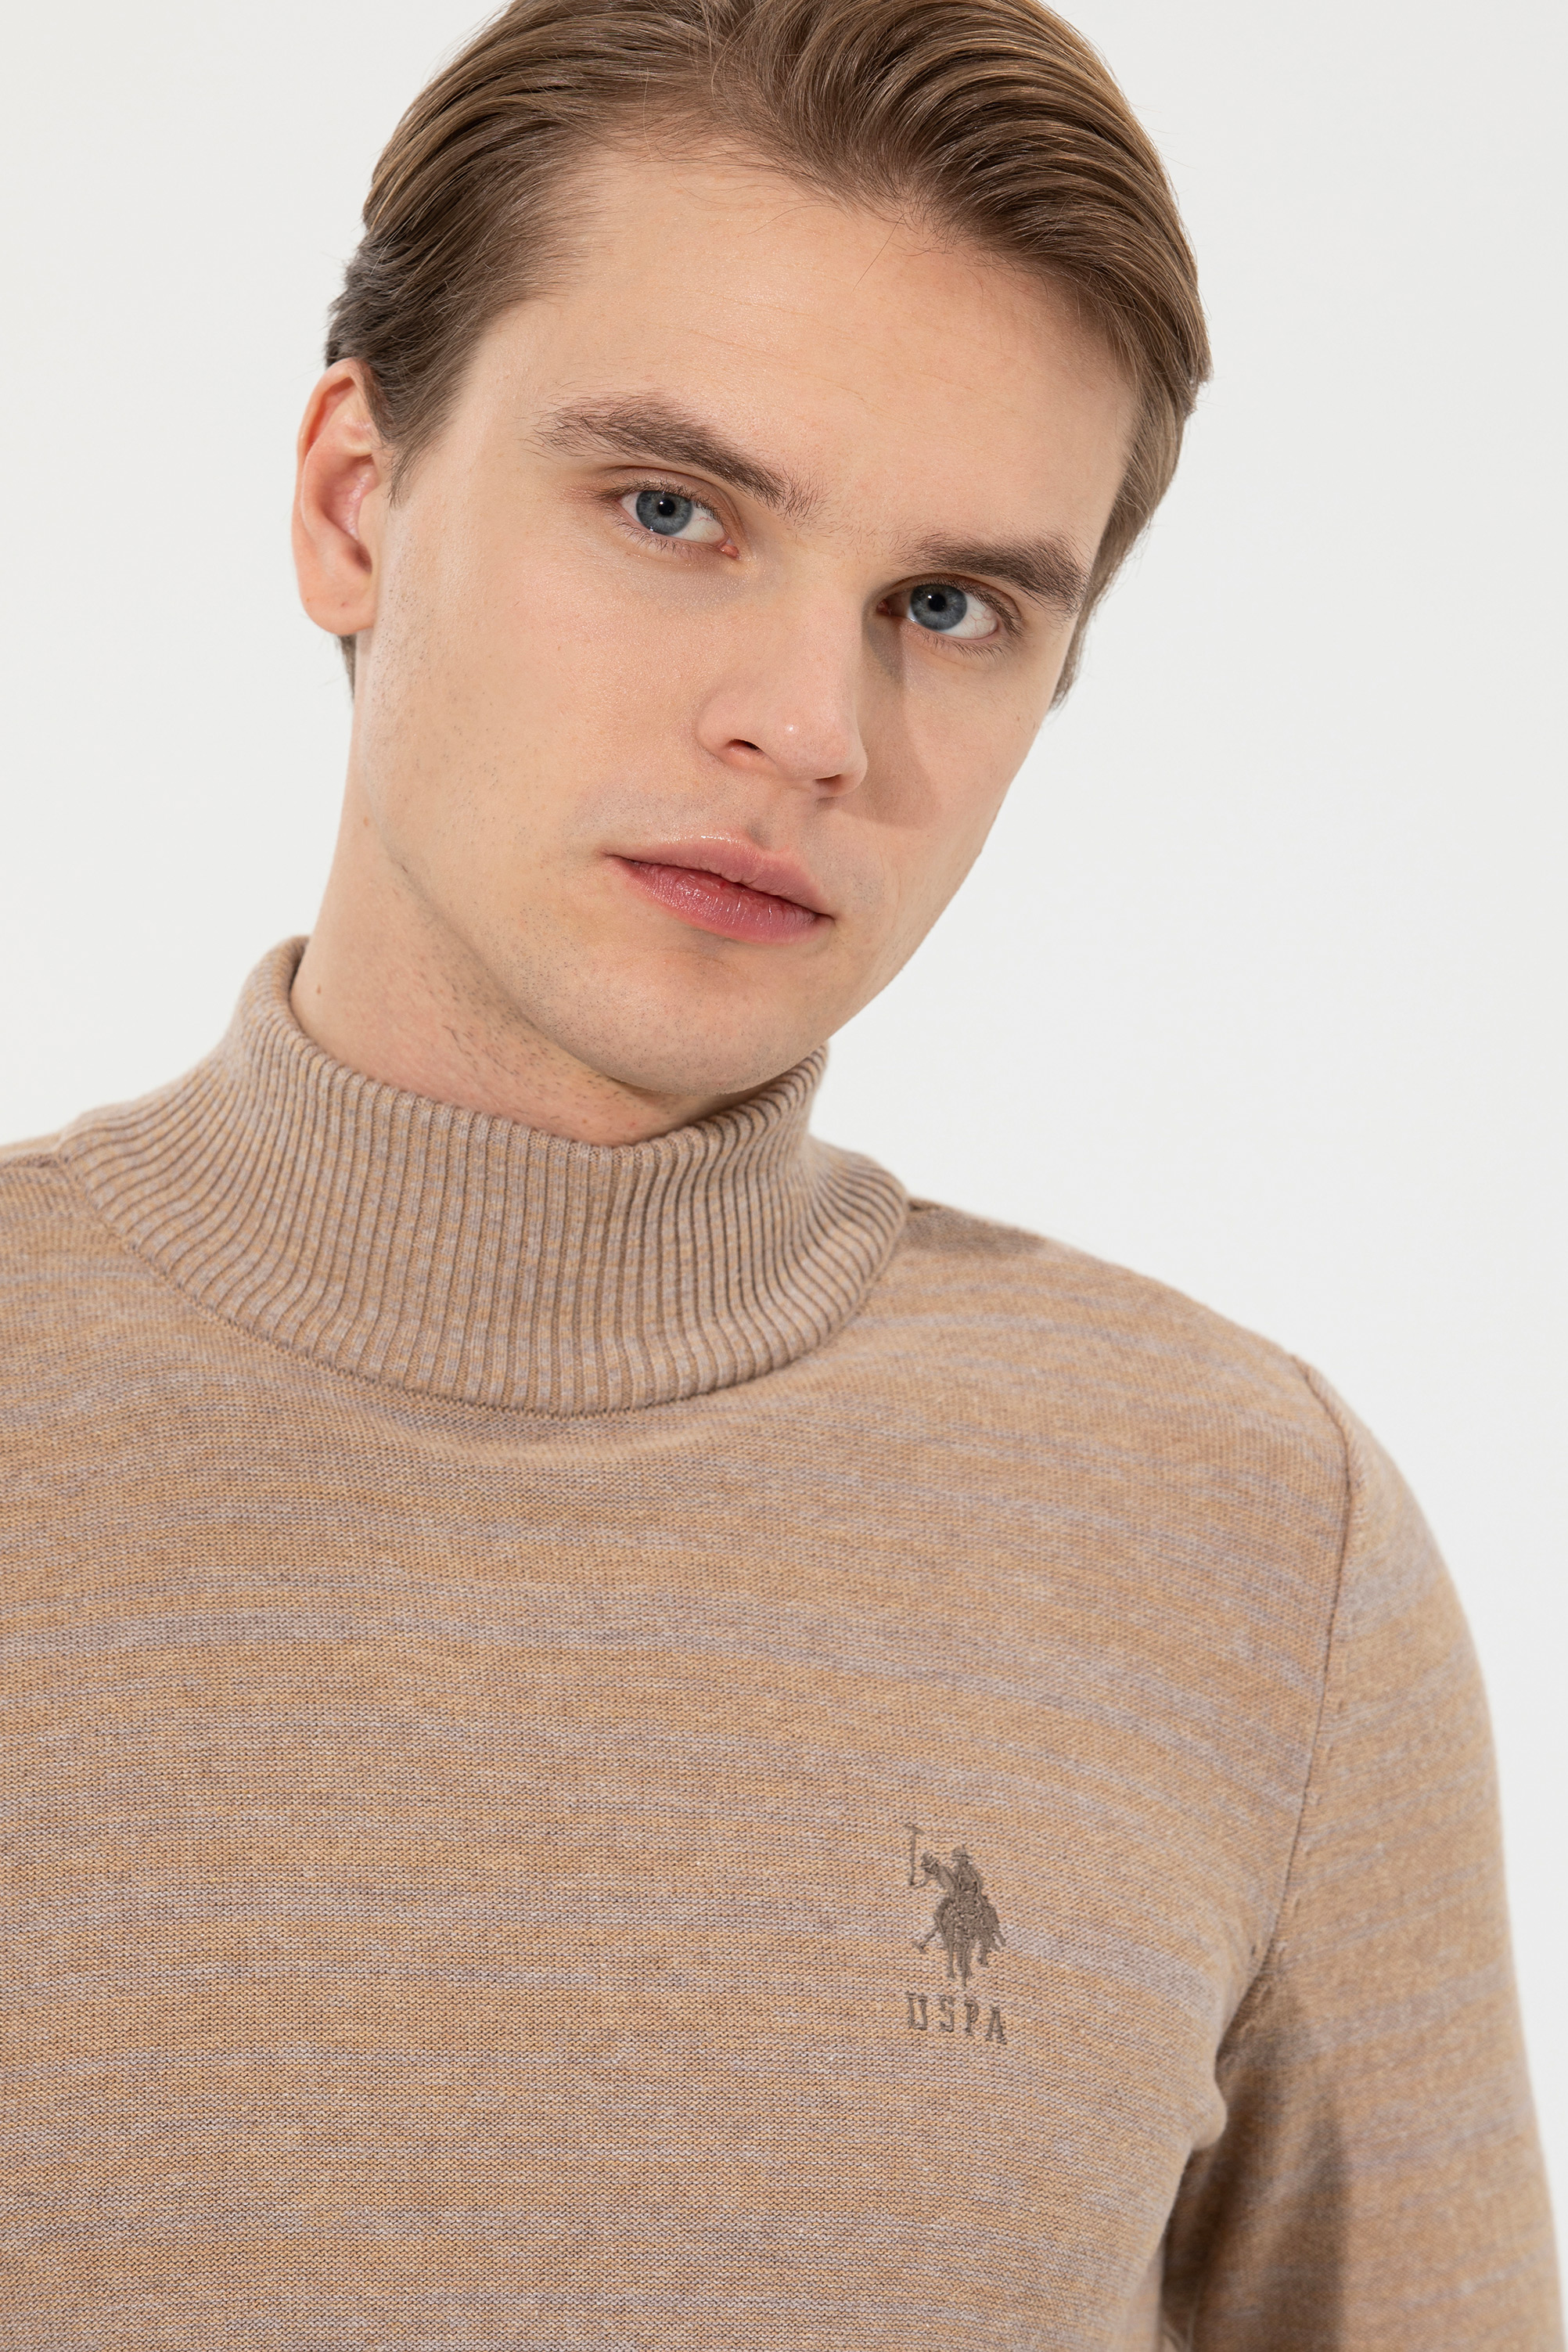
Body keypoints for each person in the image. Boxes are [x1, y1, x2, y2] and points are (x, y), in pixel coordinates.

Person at [0, 0, 1558, 2340]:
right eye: (670, 512)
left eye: (949, 608)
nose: (811, 729)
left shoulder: (1253, 1545)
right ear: (354, 505)